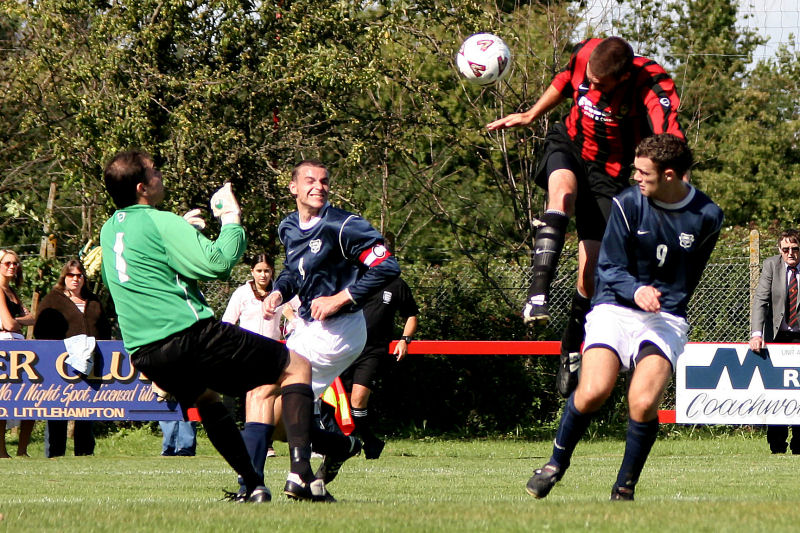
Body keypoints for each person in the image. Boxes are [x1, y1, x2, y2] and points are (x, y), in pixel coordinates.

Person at [99, 150, 324, 503]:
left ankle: (253, 485)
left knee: (208, 401)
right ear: (142, 187)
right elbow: (218, 263)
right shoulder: (161, 221)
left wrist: (183, 233)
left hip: (145, 352)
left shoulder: (109, 229)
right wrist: (231, 219)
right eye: (154, 172)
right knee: (297, 368)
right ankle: (301, 475)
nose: (160, 176)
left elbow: (149, 267)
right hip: (189, 335)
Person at [525, 134, 723, 501]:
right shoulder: (628, 203)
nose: (636, 177)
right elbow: (608, 266)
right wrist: (637, 290)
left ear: (668, 175)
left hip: (665, 317)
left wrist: (663, 299)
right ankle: (554, 464)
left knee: (644, 402)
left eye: (643, 172)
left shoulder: (708, 216)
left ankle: (624, 487)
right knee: (594, 390)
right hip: (615, 307)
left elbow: (687, 279)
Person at [487, 36, 684, 398]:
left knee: (590, 276)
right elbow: (565, 80)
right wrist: (532, 114)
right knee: (560, 193)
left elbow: (670, 138)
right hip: (569, 143)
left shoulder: (652, 84)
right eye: (589, 80)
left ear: (623, 78)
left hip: (608, 174)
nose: (590, 89)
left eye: (599, 85)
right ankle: (537, 294)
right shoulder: (587, 53)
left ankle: (571, 348)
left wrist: (678, 190)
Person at [262, 159, 401, 493]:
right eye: (310, 180)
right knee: (278, 415)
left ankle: (296, 475)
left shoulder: (344, 225)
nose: (319, 186)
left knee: (276, 397)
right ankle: (340, 448)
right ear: (293, 187)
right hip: (309, 328)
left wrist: (341, 298)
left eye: (324, 181)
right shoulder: (288, 227)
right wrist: (279, 291)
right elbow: (295, 272)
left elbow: (388, 266)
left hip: (341, 330)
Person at [34, 259, 112, 457]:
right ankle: (55, 453)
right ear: (64, 277)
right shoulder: (52, 299)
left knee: (86, 408)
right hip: (60, 363)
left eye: (79, 275)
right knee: (57, 408)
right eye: (71, 275)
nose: (75, 279)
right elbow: (40, 330)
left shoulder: (93, 301)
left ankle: (85, 452)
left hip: (91, 364)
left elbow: (105, 329)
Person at [221, 253, 287, 485]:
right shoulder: (242, 293)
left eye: (267, 271)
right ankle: (253, 444)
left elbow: (296, 315)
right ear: (252, 271)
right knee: (252, 398)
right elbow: (228, 322)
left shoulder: (281, 293)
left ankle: (266, 442)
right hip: (247, 352)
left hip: (272, 353)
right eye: (259, 271)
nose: (263, 275)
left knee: (268, 398)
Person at [339, 275, 418, 459]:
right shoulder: (352, 276)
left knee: (358, 400)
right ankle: (365, 441)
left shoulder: (396, 283)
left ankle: (363, 441)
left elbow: (411, 315)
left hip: (373, 350)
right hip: (346, 348)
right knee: (346, 401)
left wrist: (404, 340)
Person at [750, 229, 800, 454]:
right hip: (777, 336)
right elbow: (761, 300)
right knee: (776, 392)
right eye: (786, 249)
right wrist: (756, 334)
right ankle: (777, 445)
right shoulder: (771, 266)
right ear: (780, 250)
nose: (791, 253)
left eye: (796, 249)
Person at [0, 249, 35, 458]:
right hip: (4, 345)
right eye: (7, 263)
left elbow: (31, 318)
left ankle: (23, 450)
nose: (12, 267)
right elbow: (9, 323)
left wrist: (17, 323)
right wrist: (17, 323)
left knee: (30, 398)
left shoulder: (12, 292)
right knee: (4, 399)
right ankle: (2, 451)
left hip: (20, 346)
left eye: (15, 264)